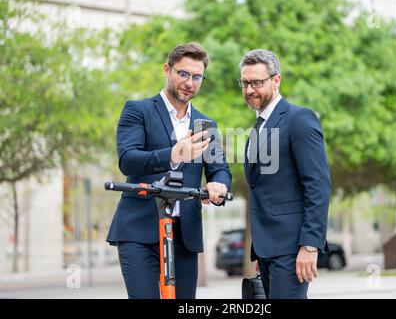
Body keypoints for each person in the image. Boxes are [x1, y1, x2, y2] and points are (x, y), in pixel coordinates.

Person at [107, 43, 231, 299]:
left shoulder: (206, 124)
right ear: (167, 69)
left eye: (197, 77)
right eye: (183, 74)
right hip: (139, 230)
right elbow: (128, 160)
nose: (189, 82)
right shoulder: (138, 110)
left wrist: (218, 185)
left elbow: (220, 170)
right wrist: (174, 154)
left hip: (184, 233)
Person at [239, 49, 331, 299]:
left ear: (276, 80)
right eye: (245, 83)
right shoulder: (257, 129)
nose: (249, 90)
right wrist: (261, 251)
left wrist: (310, 245)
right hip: (268, 250)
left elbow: (318, 185)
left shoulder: (299, 119)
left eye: (257, 82)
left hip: (293, 247)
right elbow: (262, 188)